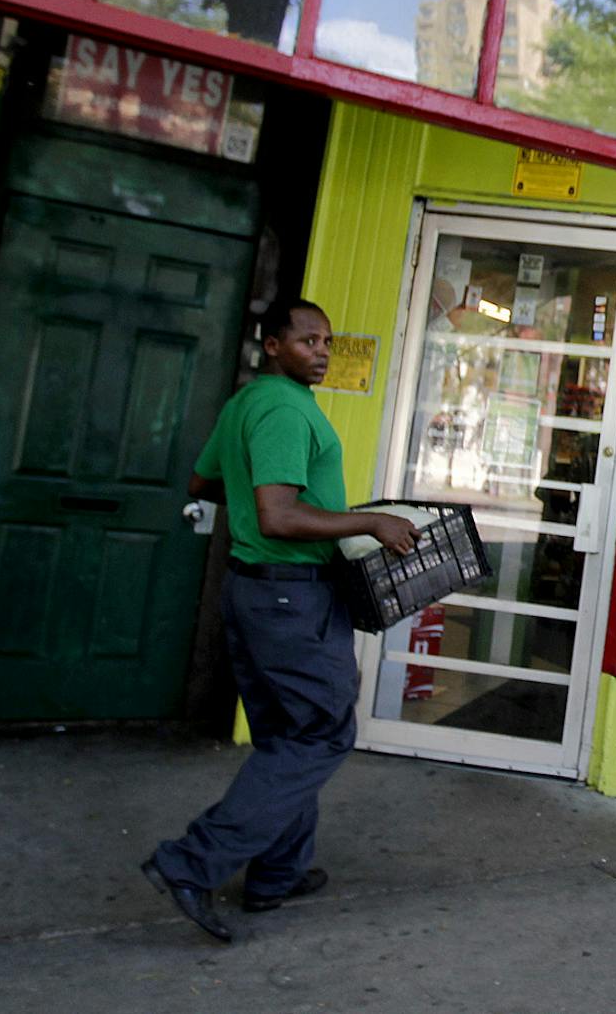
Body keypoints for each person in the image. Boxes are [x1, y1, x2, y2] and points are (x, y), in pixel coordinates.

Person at [142, 299, 418, 943]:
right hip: (292, 595)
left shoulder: (247, 405)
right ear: (272, 345)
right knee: (320, 734)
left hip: (255, 591)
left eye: (327, 340)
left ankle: (276, 874)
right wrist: (369, 520)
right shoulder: (284, 409)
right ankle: (192, 861)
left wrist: (258, 492)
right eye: (306, 341)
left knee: (286, 737)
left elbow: (202, 480)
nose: (320, 351)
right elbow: (279, 517)